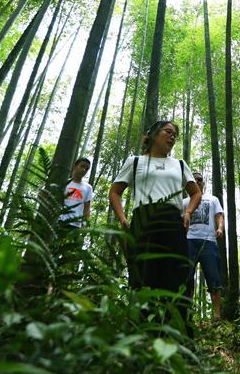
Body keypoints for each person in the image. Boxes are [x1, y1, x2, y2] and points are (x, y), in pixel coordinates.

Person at [109, 120, 201, 333]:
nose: (172, 136)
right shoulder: (135, 161)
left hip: (173, 221)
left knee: (177, 274)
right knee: (143, 274)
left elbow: (195, 193)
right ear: (152, 135)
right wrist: (123, 219)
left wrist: (188, 212)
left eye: (175, 134)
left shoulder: (179, 164)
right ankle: (143, 331)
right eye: (168, 131)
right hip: (144, 221)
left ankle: (177, 331)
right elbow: (114, 192)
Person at [182, 171, 224, 320]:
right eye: (193, 180)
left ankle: (217, 316)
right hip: (189, 241)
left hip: (209, 241)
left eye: (199, 179)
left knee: (214, 278)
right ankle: (187, 316)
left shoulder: (212, 199)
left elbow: (219, 215)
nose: (197, 182)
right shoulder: (184, 202)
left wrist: (220, 228)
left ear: (203, 183)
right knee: (187, 278)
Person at [59, 157, 94, 228]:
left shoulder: (88, 188)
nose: (84, 170)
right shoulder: (64, 182)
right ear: (75, 166)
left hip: (76, 224)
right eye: (82, 166)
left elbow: (87, 208)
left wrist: (85, 223)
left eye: (86, 169)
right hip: (60, 220)